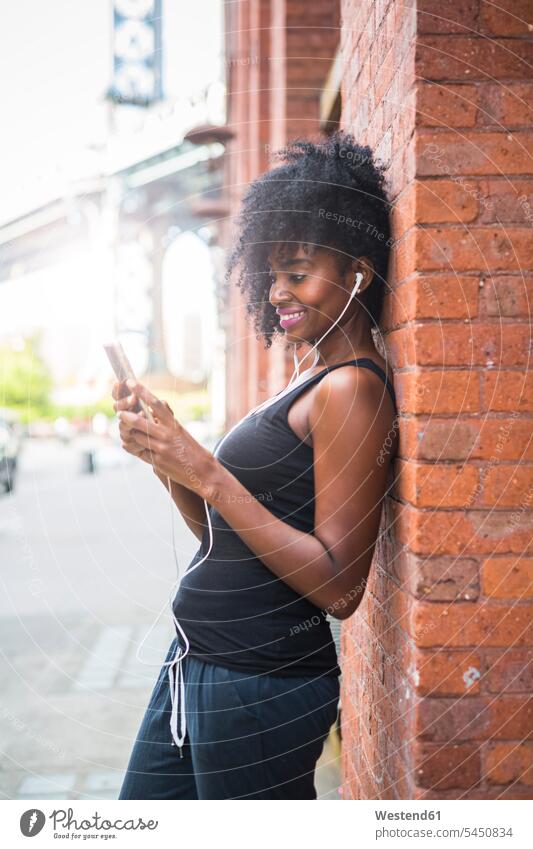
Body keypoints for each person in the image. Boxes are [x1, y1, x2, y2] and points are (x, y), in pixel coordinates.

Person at [114, 131, 398, 800]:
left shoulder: (353, 389)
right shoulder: (311, 378)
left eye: (296, 271)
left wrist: (207, 470)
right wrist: (170, 456)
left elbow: (339, 586)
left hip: (260, 689)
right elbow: (224, 537)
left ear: (356, 271)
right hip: (200, 669)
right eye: (270, 273)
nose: (276, 291)